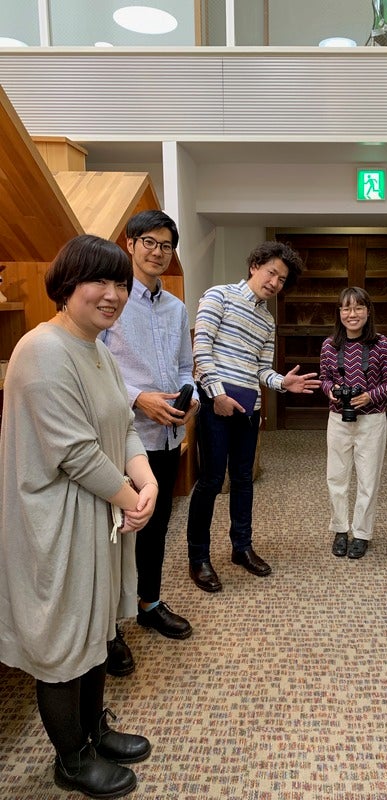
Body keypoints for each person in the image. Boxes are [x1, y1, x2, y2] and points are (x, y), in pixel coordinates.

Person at [0, 235, 159, 798]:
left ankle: (94, 731)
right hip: (57, 520)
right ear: (67, 286)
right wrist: (131, 498)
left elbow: (124, 427)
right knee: (64, 639)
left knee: (96, 627)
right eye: (100, 281)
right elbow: (75, 452)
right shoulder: (43, 349)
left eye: (121, 283)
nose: (113, 294)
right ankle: (70, 758)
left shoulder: (97, 349)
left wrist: (146, 480)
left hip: (98, 508)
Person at [186, 241, 321, 591]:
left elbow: (261, 369)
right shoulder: (218, 296)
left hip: (248, 409)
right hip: (215, 404)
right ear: (254, 266)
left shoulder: (266, 320)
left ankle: (241, 547)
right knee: (211, 481)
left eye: (282, 279)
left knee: (243, 480)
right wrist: (217, 395)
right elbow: (201, 350)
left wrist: (282, 383)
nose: (275, 283)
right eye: (271, 273)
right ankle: (198, 557)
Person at [101, 210, 197, 676]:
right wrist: (138, 397)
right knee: (117, 530)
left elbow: (185, 366)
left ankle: (149, 603)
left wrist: (189, 397)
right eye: (149, 242)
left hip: (167, 434)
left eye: (166, 245)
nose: (158, 252)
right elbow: (93, 366)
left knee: (156, 526)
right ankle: (108, 629)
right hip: (121, 436)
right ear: (131, 243)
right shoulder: (111, 301)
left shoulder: (176, 307)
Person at [320, 287, 387, 559]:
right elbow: (325, 378)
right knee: (336, 477)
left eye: (358, 308)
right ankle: (340, 530)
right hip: (338, 419)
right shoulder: (329, 345)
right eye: (346, 308)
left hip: (372, 421)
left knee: (368, 479)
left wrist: (369, 396)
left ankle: (362, 533)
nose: (352, 314)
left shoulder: (382, 344)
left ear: (368, 311)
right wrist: (330, 390)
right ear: (339, 312)